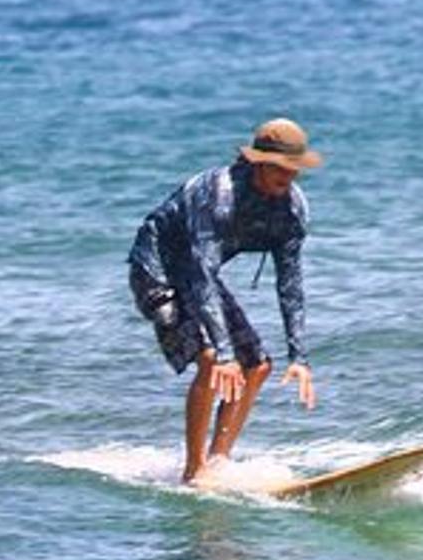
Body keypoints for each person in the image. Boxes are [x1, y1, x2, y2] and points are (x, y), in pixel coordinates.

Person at [128, 117, 321, 485]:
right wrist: (225, 352)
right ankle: (193, 470)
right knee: (212, 359)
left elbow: (290, 283)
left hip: (199, 276)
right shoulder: (218, 194)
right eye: (281, 168)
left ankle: (218, 461)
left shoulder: (292, 209)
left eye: (295, 170)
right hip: (156, 271)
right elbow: (200, 272)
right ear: (257, 162)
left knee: (259, 365)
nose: (289, 178)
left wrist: (299, 356)